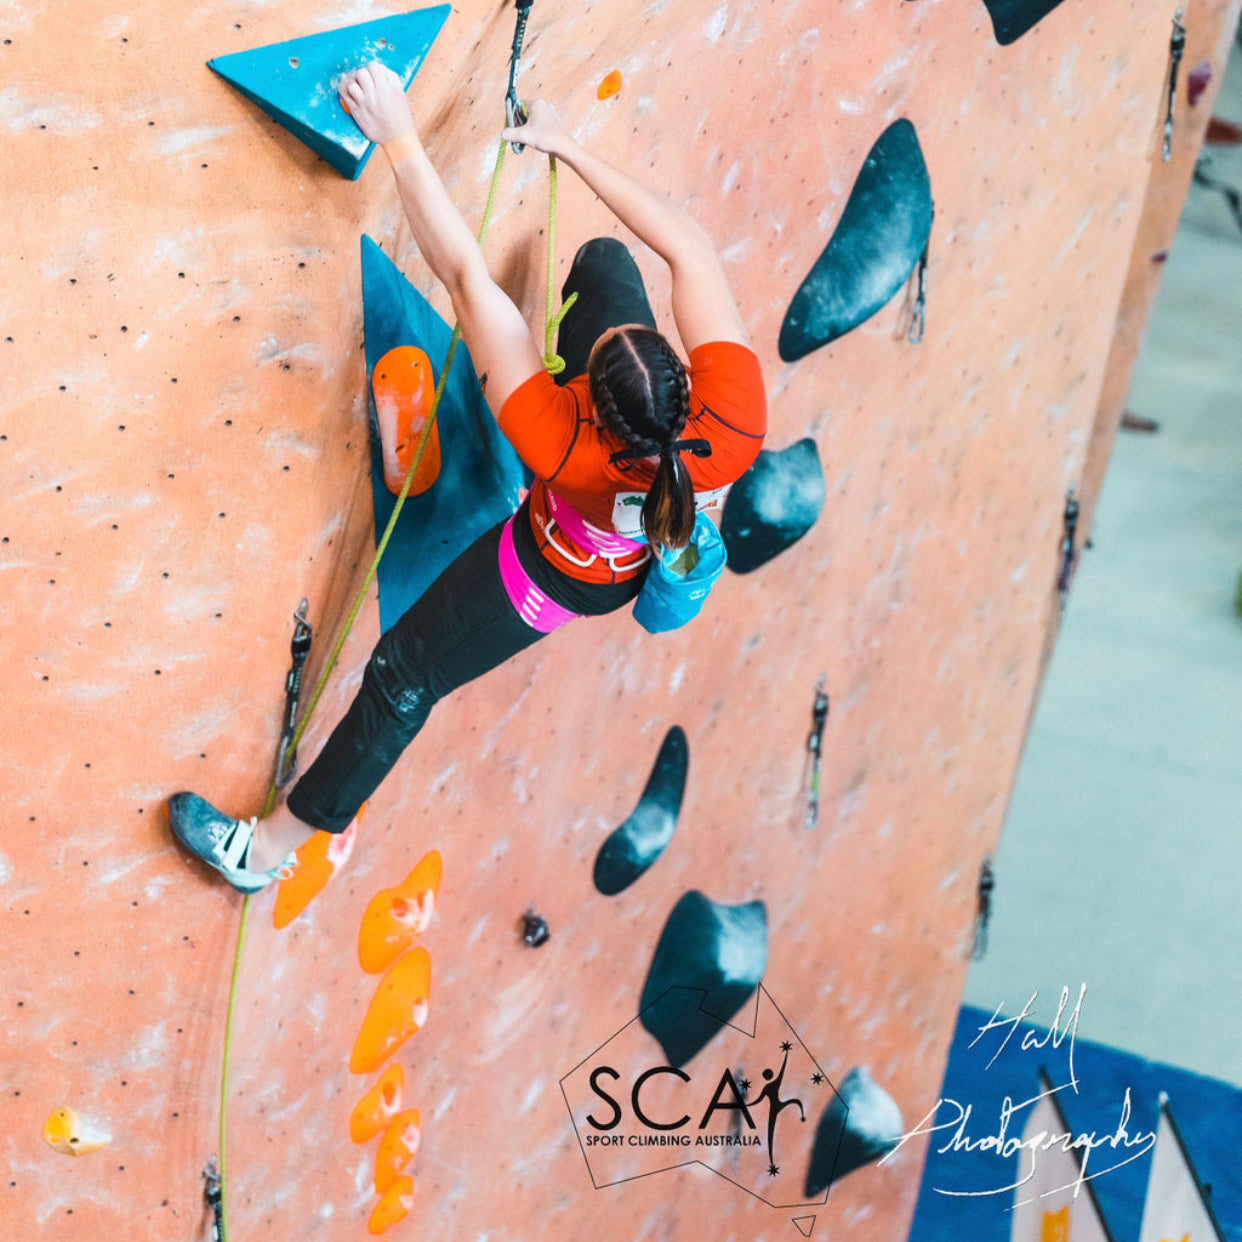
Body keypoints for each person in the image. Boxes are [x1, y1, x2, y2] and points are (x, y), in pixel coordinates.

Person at [169, 62, 767, 891]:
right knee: (605, 264)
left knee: (403, 677)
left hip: (556, 569)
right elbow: (689, 248)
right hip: (630, 511)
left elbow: (463, 276)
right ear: (682, 375)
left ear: (585, 398)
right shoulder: (733, 415)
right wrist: (569, 147)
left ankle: (262, 853)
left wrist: (398, 136)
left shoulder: (551, 435)